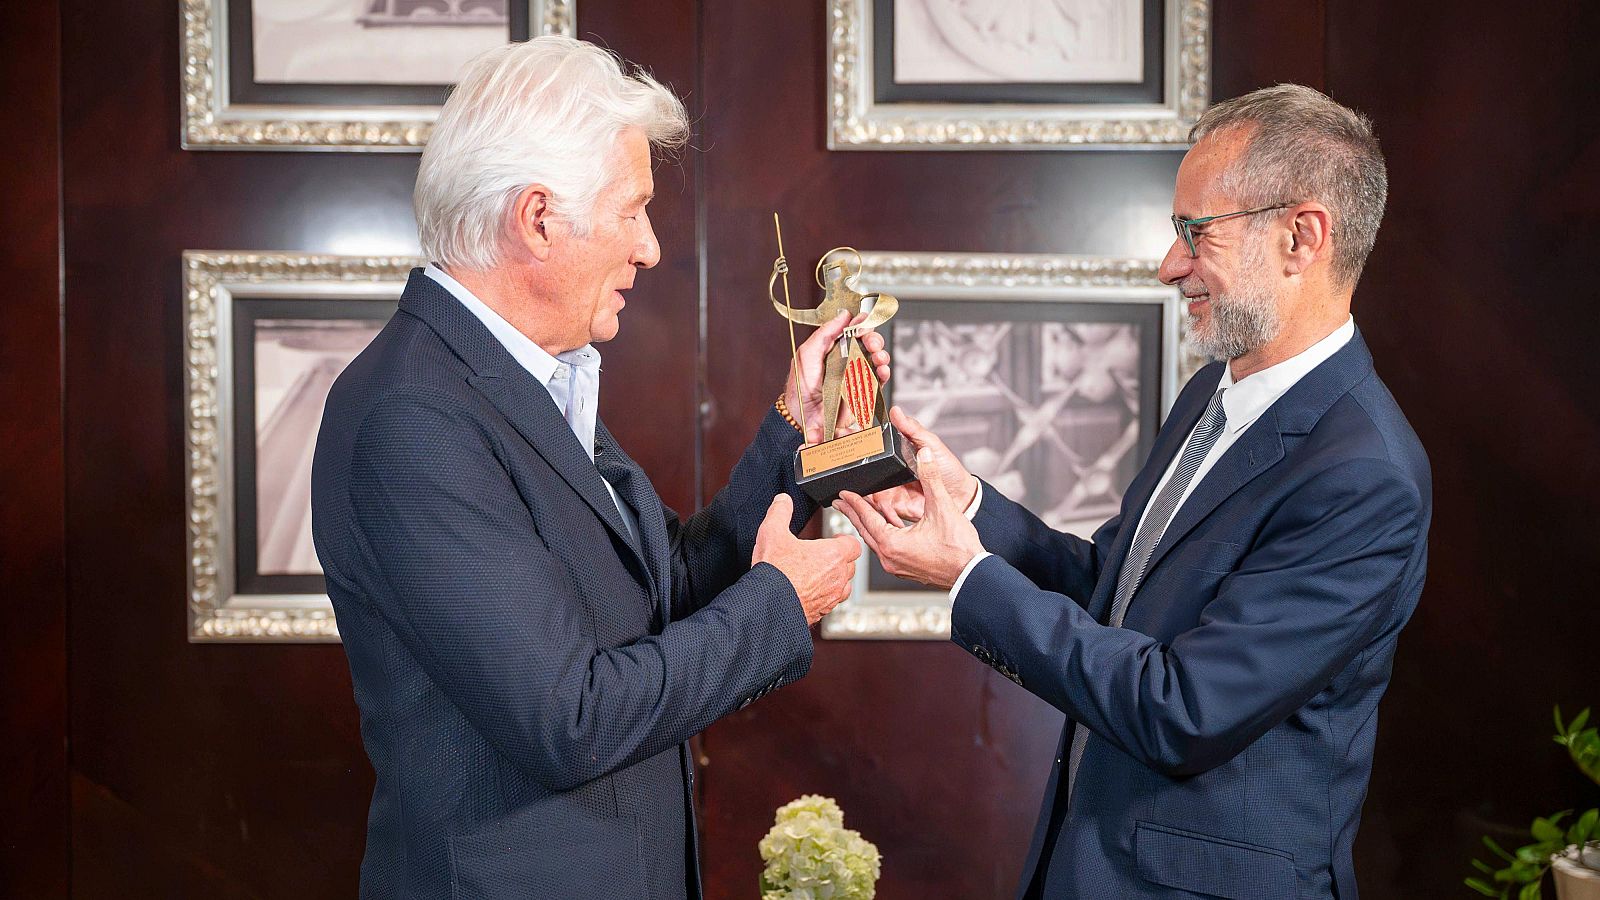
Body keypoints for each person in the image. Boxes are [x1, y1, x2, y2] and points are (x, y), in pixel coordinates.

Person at [311, 37, 885, 899]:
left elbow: (664, 589)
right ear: (539, 219)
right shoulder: (412, 418)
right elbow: (570, 719)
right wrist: (780, 603)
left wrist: (794, 441)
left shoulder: (520, 375)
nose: (650, 249)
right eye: (633, 211)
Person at [835, 84, 1430, 899]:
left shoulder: (1366, 478)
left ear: (1302, 237)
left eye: (1195, 231)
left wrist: (968, 577)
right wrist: (970, 506)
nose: (1169, 264)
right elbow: (1113, 592)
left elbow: (1183, 709)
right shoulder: (1211, 398)